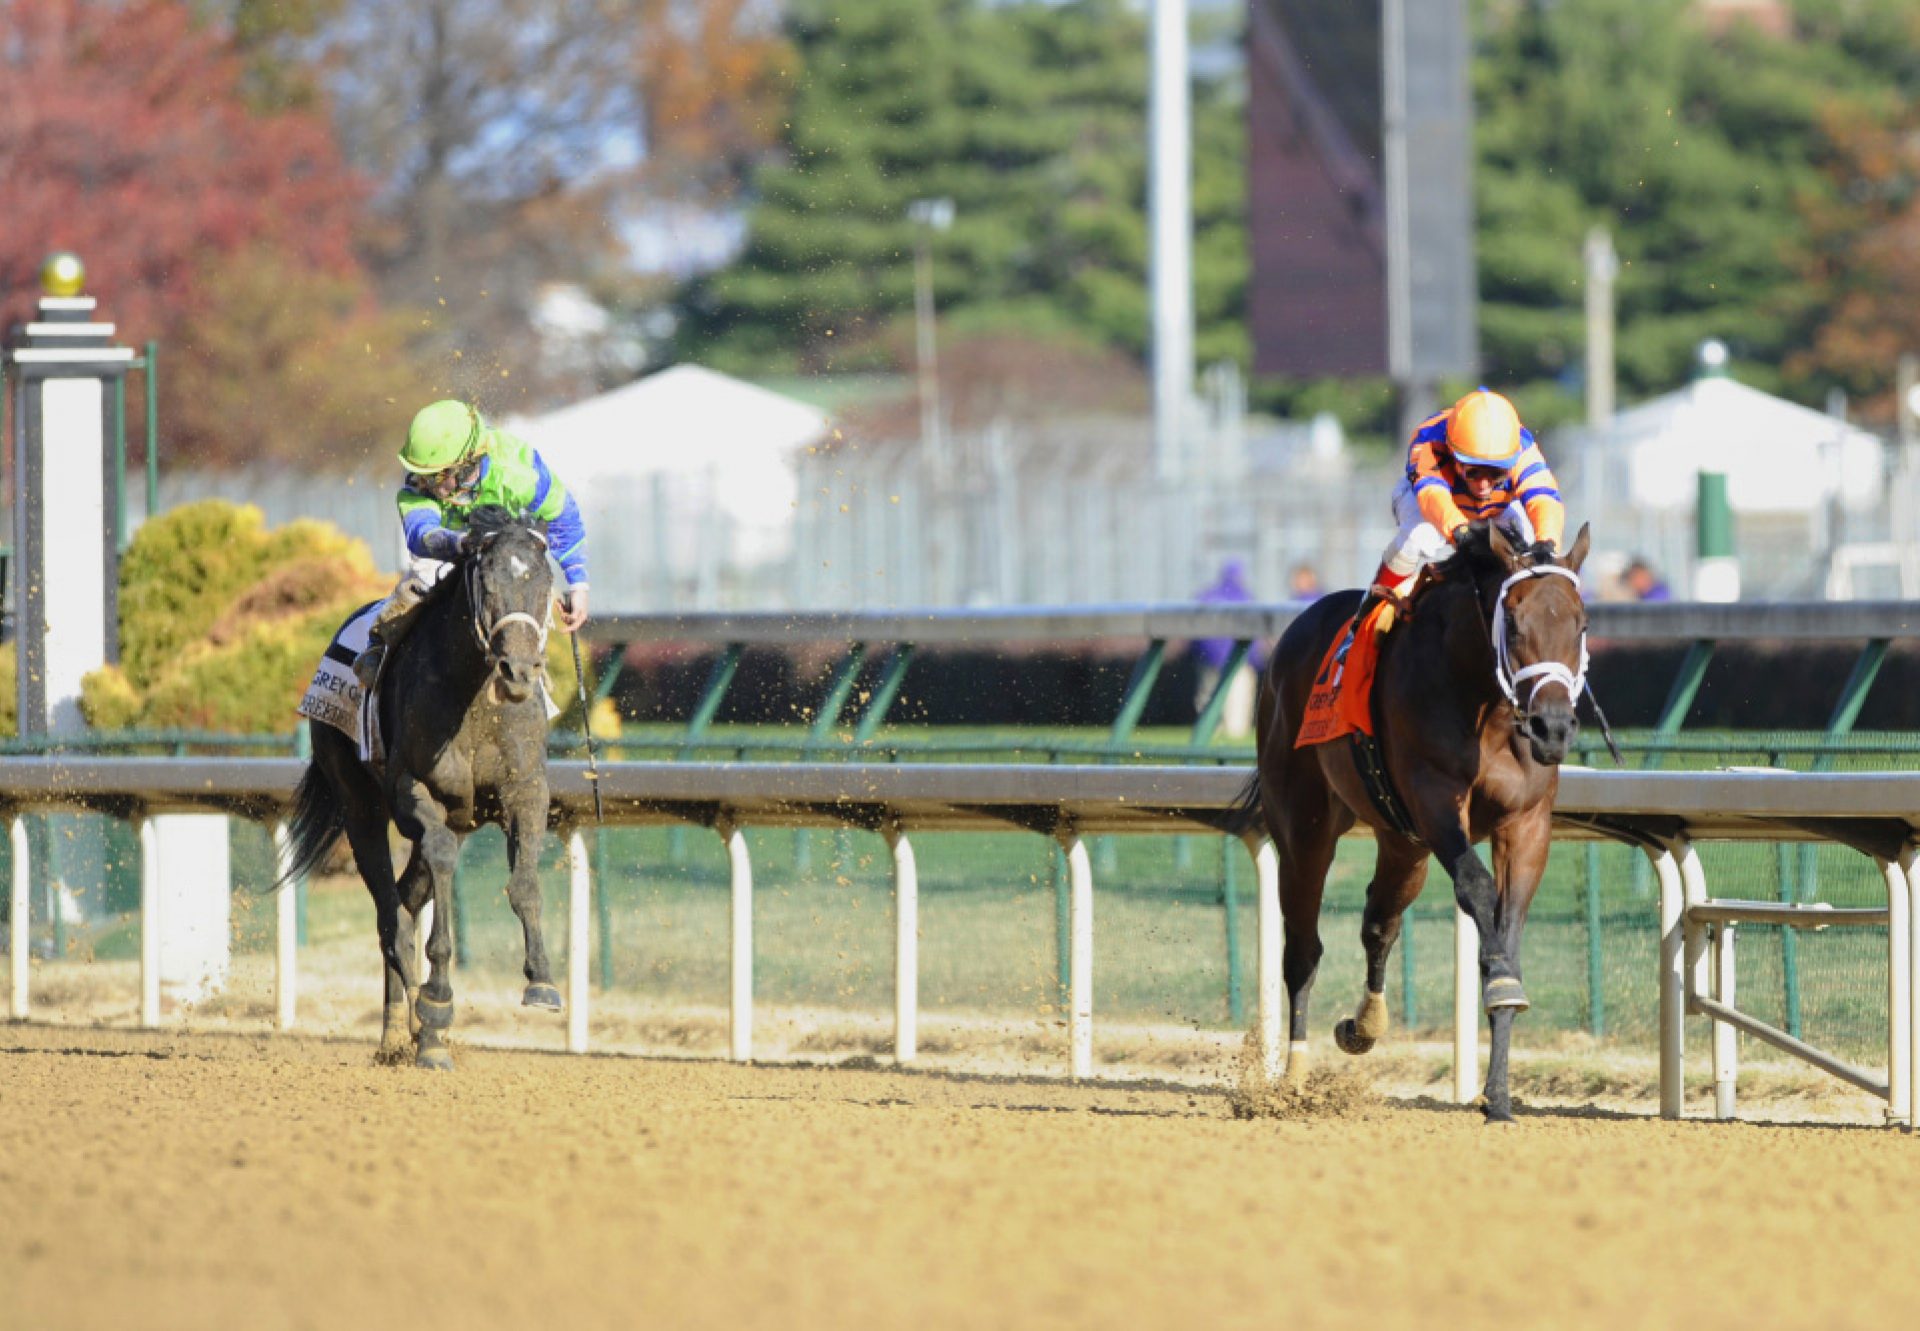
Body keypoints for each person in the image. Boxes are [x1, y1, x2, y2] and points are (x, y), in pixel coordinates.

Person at [352, 399, 589, 689]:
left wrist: (577, 583)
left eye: (436, 476)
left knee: (522, 587)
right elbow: (420, 534)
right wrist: (460, 543)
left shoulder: (520, 471)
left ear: (468, 465)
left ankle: (530, 669)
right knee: (419, 579)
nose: (424, 484)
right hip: (449, 547)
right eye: (423, 475)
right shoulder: (419, 483)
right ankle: (381, 645)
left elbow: (563, 516)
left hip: (507, 551)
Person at [1351, 387, 1565, 628]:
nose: (1484, 485)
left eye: (1496, 473)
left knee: (1532, 545)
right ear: (1453, 454)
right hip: (1432, 503)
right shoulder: (1431, 441)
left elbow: (1545, 497)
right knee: (1419, 537)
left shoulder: (1523, 448)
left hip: (1497, 509)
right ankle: (1369, 613)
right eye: (1473, 471)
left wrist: (1547, 541)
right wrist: (1460, 531)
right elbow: (1433, 496)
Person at [1192, 558, 1266, 739]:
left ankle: (1208, 738)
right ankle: (1233, 742)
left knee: (1210, 705)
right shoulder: (1247, 597)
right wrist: (1256, 662)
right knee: (1238, 709)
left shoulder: (1206, 597)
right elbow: (1256, 637)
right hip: (1241, 663)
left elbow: (1194, 633)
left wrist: (1200, 656)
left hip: (1211, 662)